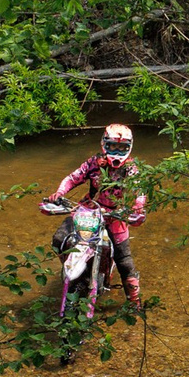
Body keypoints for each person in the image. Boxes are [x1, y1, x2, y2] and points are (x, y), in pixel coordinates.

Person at [48, 123, 149, 306]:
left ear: (129, 147)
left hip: (116, 215)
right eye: (113, 146)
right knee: (59, 239)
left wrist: (138, 207)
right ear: (104, 144)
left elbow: (140, 190)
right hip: (88, 210)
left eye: (122, 147)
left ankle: (135, 304)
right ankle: (71, 269)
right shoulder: (94, 163)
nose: (117, 151)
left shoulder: (131, 169)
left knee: (124, 261)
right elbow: (73, 178)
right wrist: (59, 193)